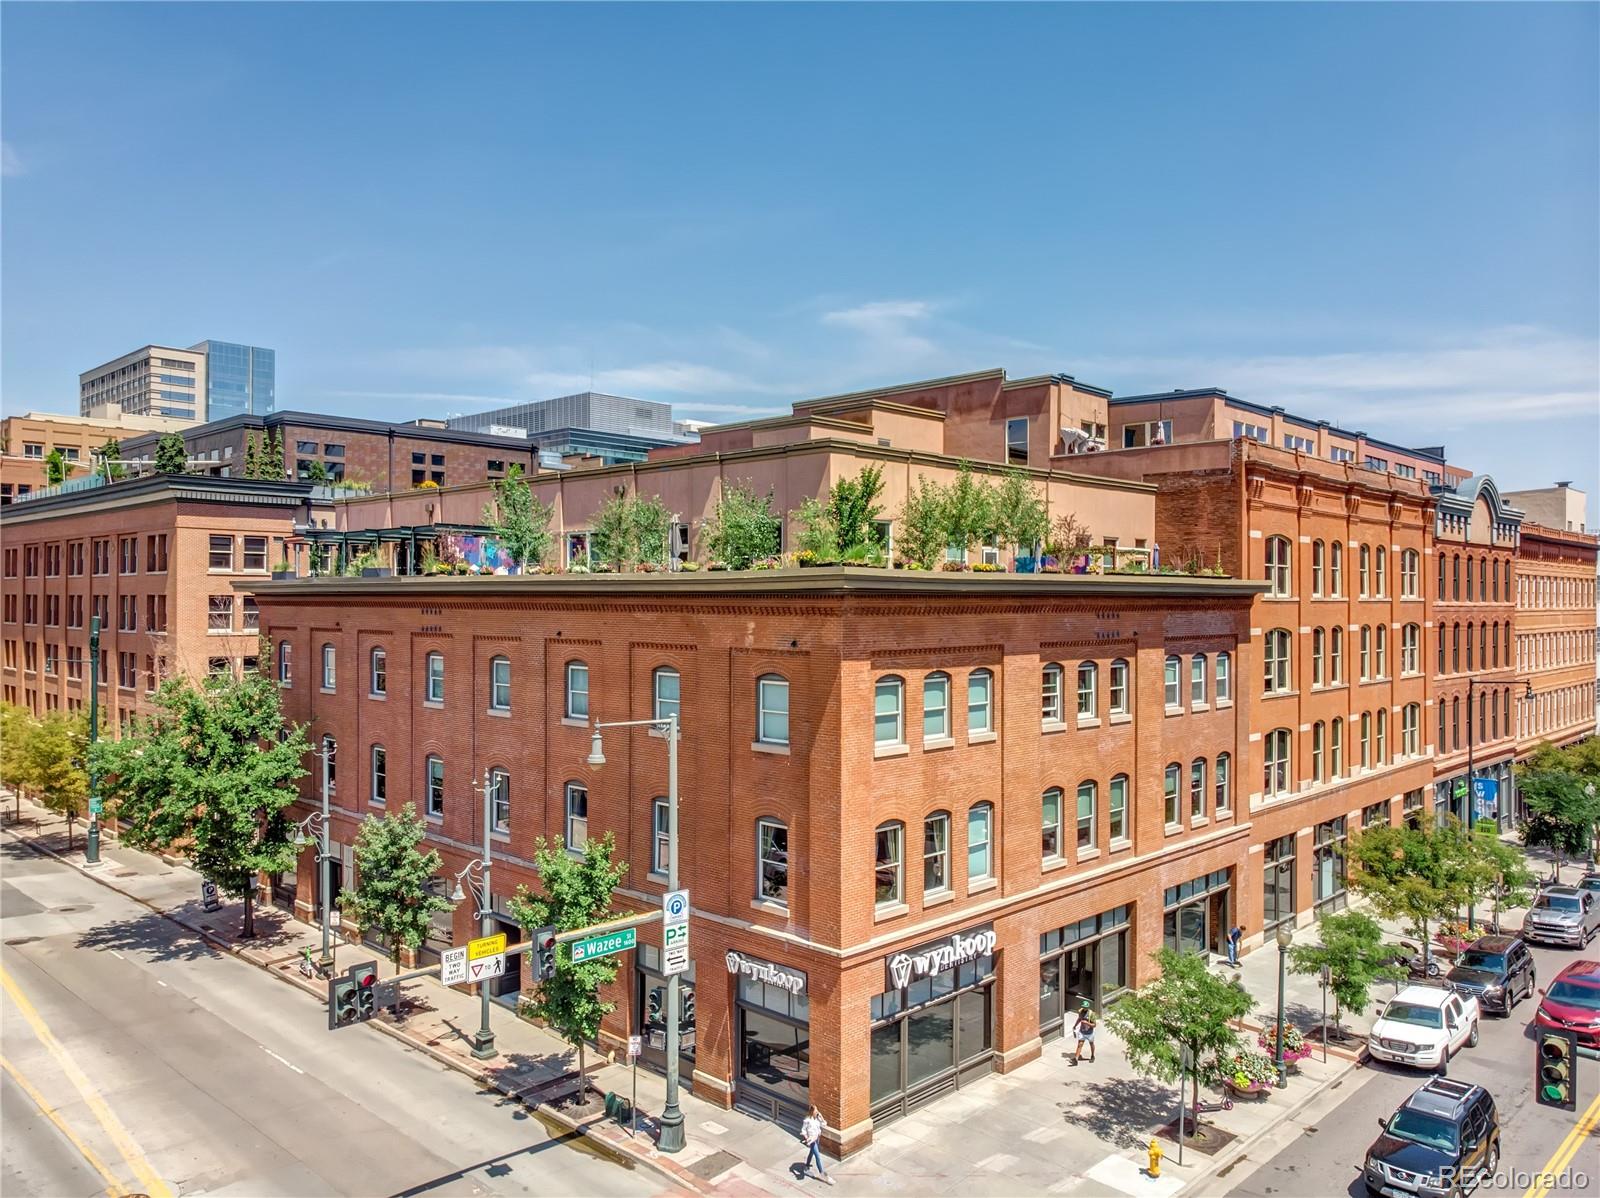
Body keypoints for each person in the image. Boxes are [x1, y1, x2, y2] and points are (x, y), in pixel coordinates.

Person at [801, 1106, 833, 1185]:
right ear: (812, 1112)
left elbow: (824, 1124)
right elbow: (803, 1130)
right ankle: (822, 1173)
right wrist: (807, 1138)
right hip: (812, 1140)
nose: (817, 1112)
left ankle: (806, 1167)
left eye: (817, 1111)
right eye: (816, 1111)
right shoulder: (807, 1120)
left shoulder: (817, 1118)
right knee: (817, 1156)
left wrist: (821, 1117)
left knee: (812, 1153)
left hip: (817, 1138)